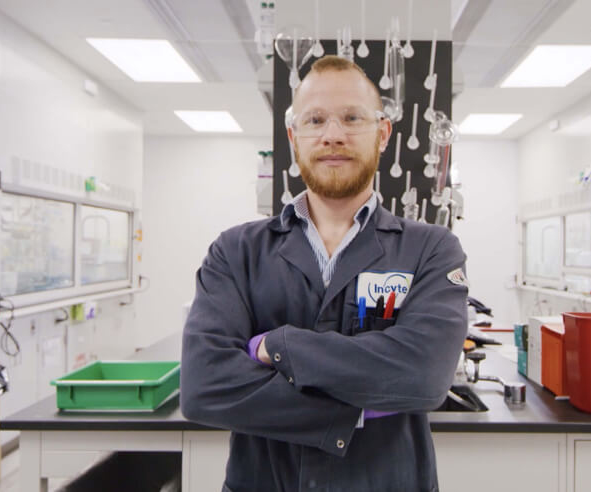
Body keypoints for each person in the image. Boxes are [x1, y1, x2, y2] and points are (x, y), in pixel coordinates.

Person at [181, 55, 468, 492]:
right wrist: (352, 412)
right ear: (295, 138)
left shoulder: (431, 248)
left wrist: (279, 346)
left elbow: (424, 377)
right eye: (315, 120)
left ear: (383, 133)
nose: (333, 135)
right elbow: (205, 386)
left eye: (353, 117)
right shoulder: (236, 251)